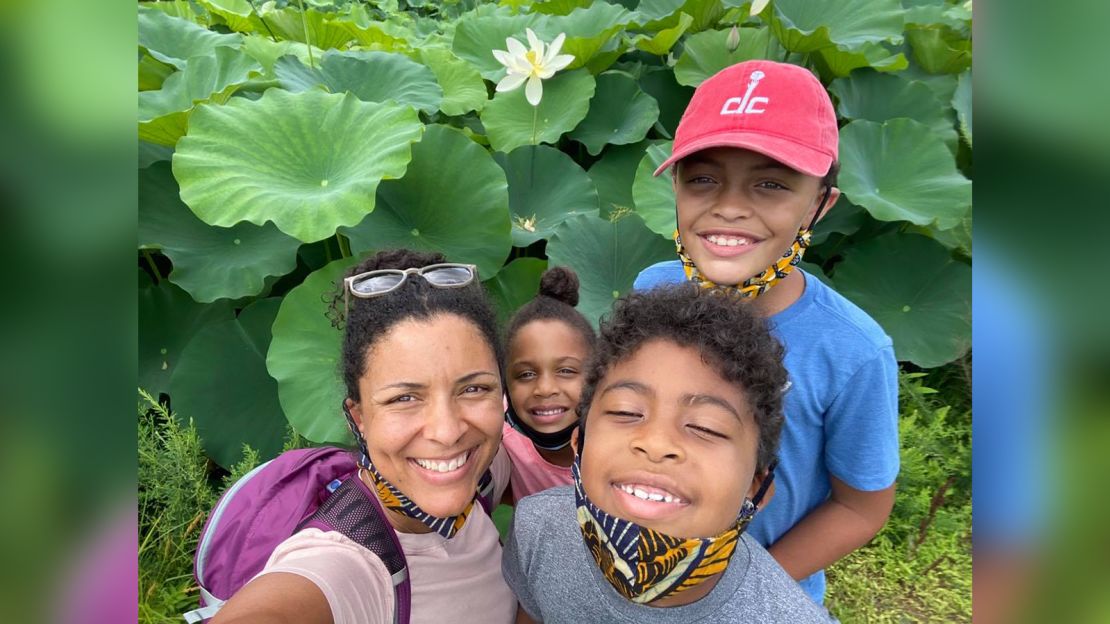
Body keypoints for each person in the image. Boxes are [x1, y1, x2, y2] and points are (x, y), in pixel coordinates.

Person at [633, 59, 899, 604]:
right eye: (703, 178)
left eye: (771, 184)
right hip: (637, 568)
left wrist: (741, 587)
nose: (730, 207)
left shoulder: (853, 350)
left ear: (820, 205)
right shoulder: (652, 289)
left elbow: (862, 505)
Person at [211, 249, 515, 624]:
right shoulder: (348, 564)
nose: (448, 432)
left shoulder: (483, 474)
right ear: (359, 418)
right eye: (404, 398)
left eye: (473, 390)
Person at [502, 284, 830, 622]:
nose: (656, 444)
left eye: (706, 427)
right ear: (578, 445)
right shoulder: (536, 530)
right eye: (626, 412)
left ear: (757, 489)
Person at [500, 267, 595, 503]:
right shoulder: (500, 435)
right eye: (525, 374)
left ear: (597, 375)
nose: (545, 388)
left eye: (565, 371)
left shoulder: (622, 444)